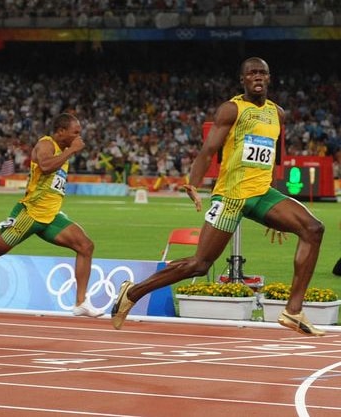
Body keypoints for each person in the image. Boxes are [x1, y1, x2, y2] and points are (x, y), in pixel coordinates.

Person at [110, 57, 326, 336]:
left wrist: (279, 210)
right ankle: (133, 292)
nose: (258, 77)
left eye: (263, 73)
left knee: (313, 228)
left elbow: (270, 158)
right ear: (243, 80)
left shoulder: (278, 114)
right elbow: (208, 151)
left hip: (262, 193)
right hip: (230, 197)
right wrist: (193, 184)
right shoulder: (232, 109)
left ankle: (293, 311)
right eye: (252, 73)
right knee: (200, 265)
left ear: (270, 78)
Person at [0, 113, 102, 318]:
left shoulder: (65, 150)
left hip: (50, 217)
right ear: (61, 131)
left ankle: (81, 302)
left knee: (86, 246)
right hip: (28, 215)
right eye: (75, 133)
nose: (79, 137)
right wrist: (73, 150)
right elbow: (46, 166)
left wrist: (70, 150)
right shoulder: (45, 144)